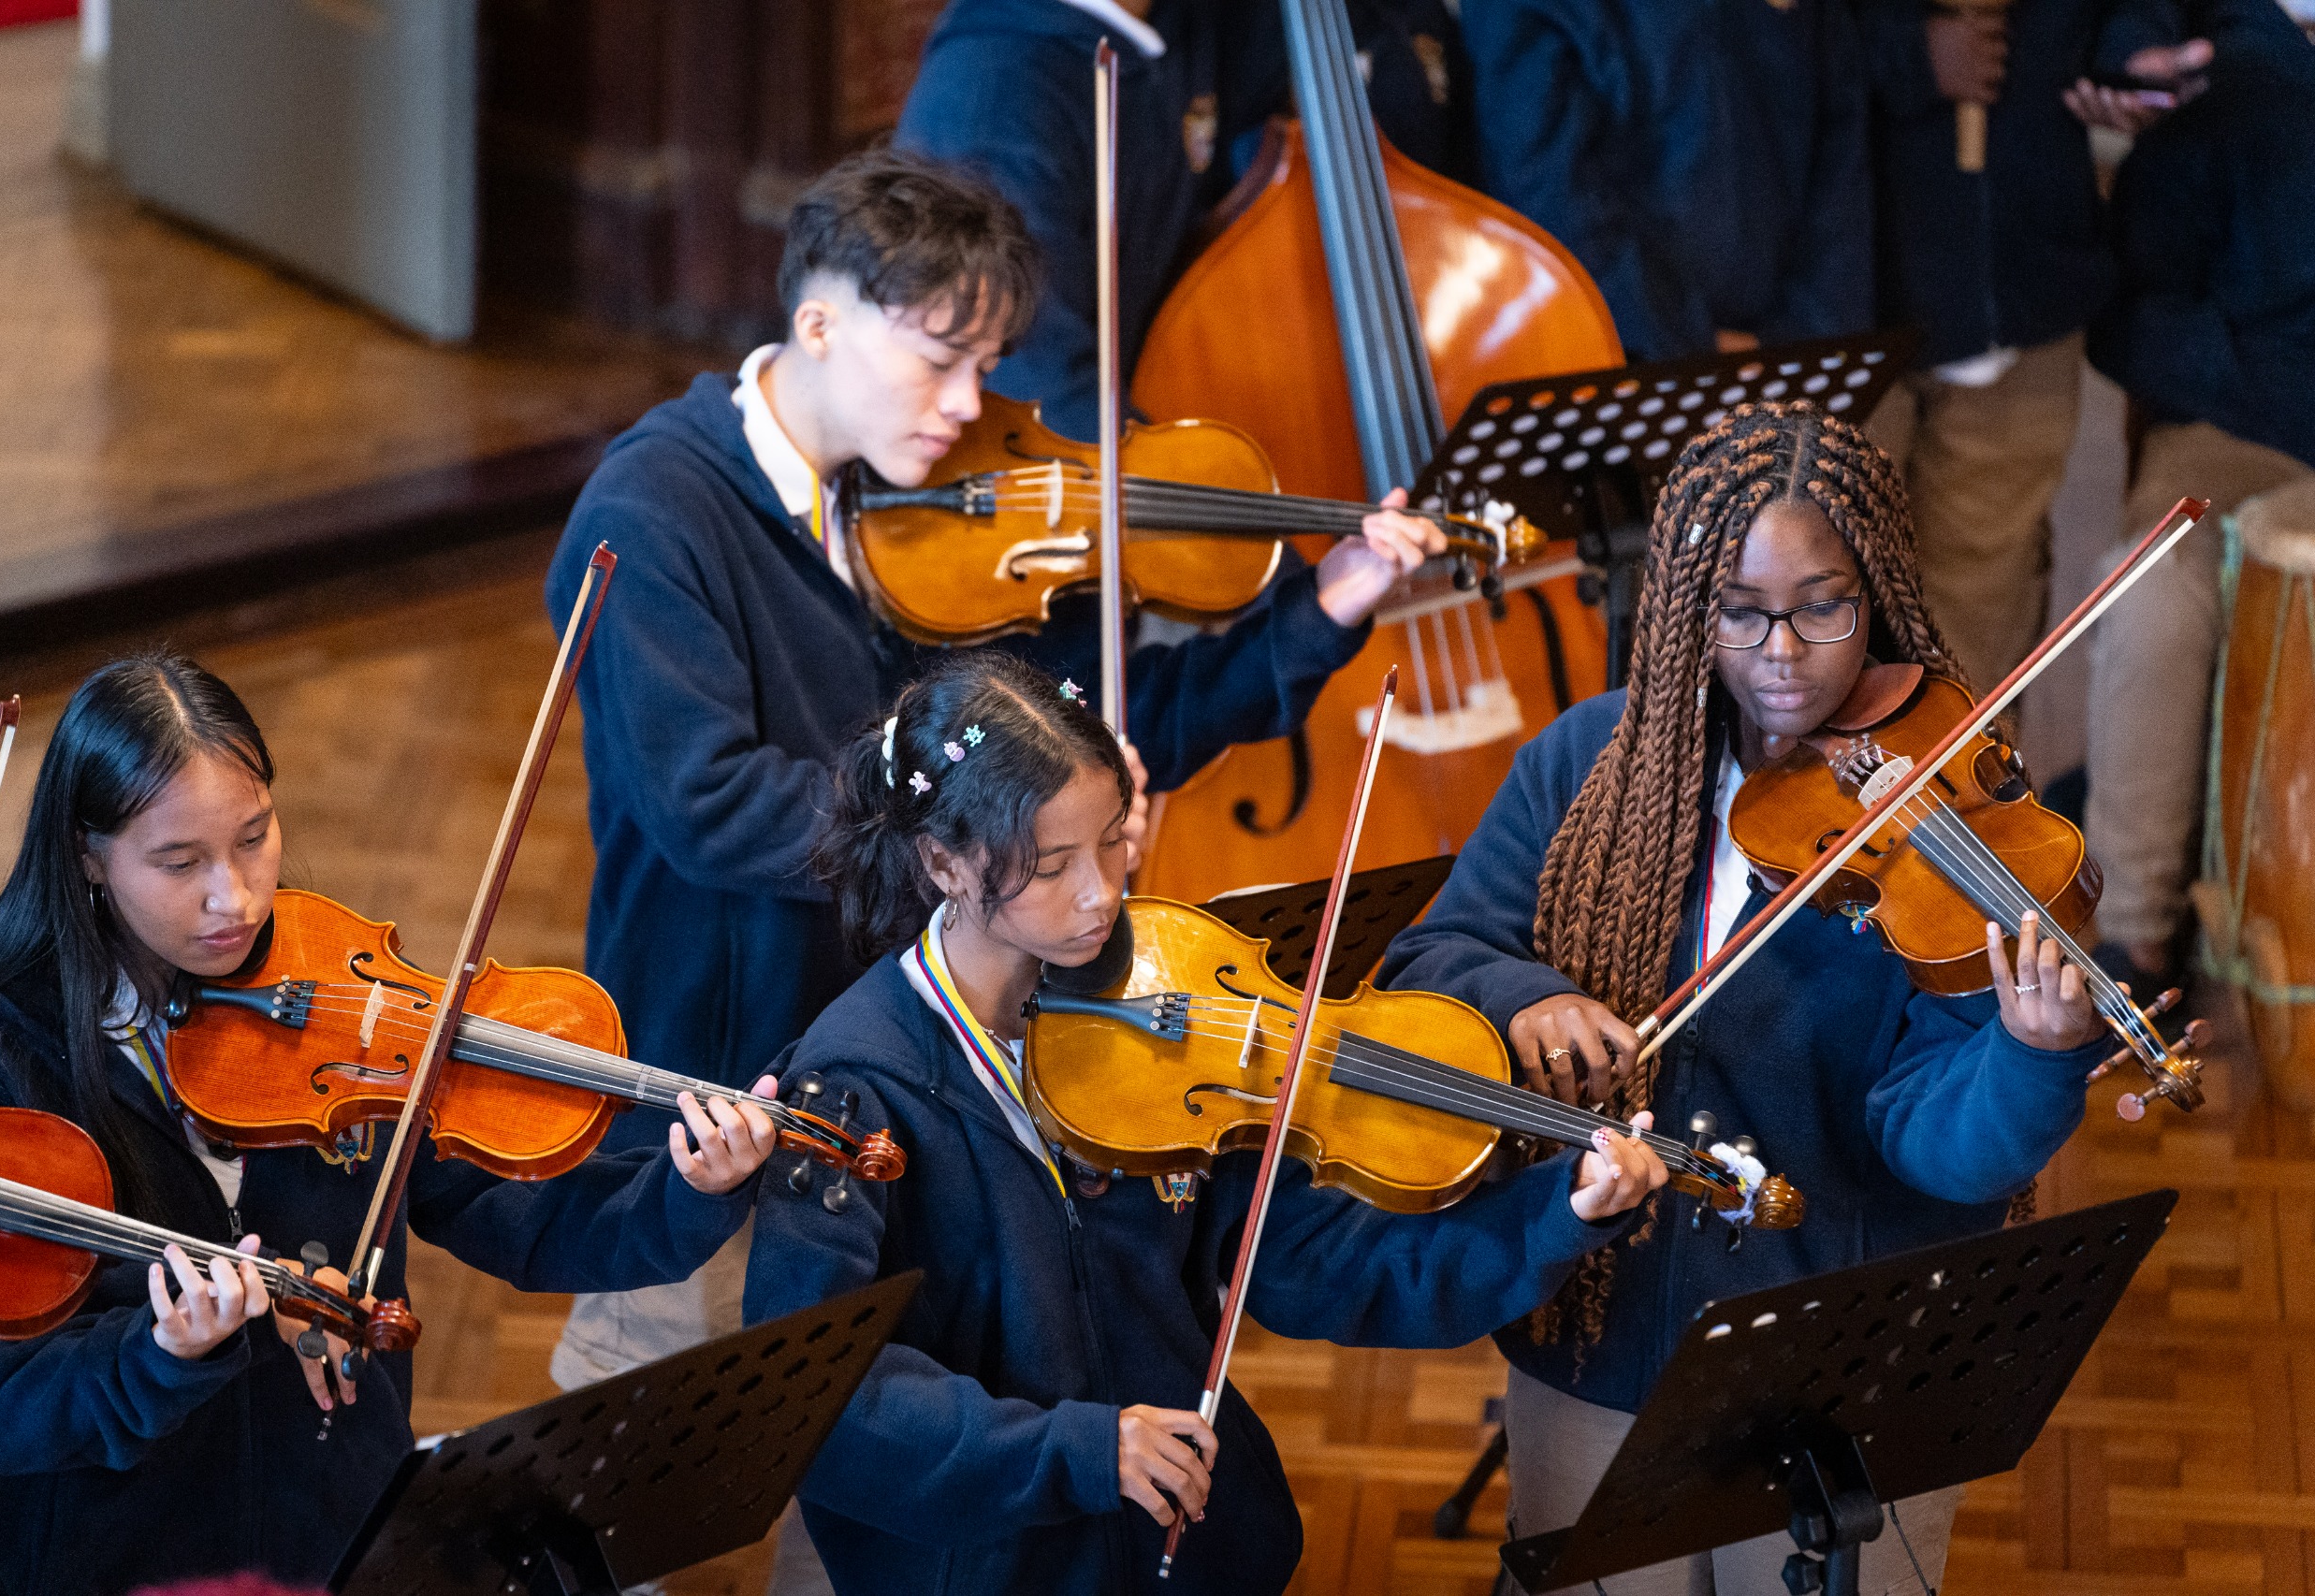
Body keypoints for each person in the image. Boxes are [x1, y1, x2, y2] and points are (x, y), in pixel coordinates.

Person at [540, 147, 1444, 1576]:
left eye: (989, 365)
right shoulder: (653, 515)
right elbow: (707, 802)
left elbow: (1078, 751)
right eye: (942, 358)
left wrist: (1317, 616)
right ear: (822, 316)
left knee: (863, 1473)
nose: (972, 407)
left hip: (918, 1084)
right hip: (714, 1086)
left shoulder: (957, 506)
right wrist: (964, 840)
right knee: (636, 1495)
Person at [739, 650, 1666, 1596]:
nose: (1103, 891)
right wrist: (1083, 1449)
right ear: (942, 862)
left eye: (1112, 840)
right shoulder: (854, 1083)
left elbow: (1315, 1262)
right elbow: (826, 1401)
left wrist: (1558, 1212)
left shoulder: (1165, 1007)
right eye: (1054, 865)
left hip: (1193, 1548)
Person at [1380, 402, 2110, 1593]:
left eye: (1823, 604)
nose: (1784, 650)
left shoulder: (1950, 825)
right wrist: (1522, 998)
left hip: (1852, 1360)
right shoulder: (1583, 765)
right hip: (1604, 1337)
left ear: (1875, 593)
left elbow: (1943, 1147)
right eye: (1741, 610)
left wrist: (2029, 1056)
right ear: (1683, 608)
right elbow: (1433, 956)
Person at [0, 654, 774, 1596]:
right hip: (115, 1559)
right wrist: (155, 1356)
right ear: (87, 852)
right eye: (179, 862)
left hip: (336, 1527)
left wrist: (686, 1187)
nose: (236, 897)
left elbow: (516, 1211)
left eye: (254, 837)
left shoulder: (332, 986)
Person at [895, 0, 1476, 437]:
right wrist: (1268, 573)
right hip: (1071, 510)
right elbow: (1035, 391)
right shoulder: (994, 94)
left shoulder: (1177, 21)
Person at [1859, 0, 2208, 693]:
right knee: (1837, 591)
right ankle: (1844, 802)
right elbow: (1758, 44)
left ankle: (1956, 795)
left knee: (1981, 606)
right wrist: (1909, 55)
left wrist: (2128, 52)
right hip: (1851, 291)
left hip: (2026, 274)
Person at [2082, 0, 2315, 993]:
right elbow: (2122, 314)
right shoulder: (2220, 69)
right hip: (2236, 434)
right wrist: (2256, 375)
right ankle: (2131, 941)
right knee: (2147, 592)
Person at [1458, 0, 1872, 360]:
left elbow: (1839, 144)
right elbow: (1548, 195)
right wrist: (1690, 345)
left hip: (1799, 355)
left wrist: (1802, 338)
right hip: (1631, 364)